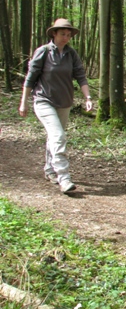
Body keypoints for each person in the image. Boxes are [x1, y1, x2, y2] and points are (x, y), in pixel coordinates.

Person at [18, 18, 93, 194]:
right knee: (58, 136)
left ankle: (50, 169)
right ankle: (64, 177)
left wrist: (88, 97)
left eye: (68, 35)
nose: (66, 38)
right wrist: (24, 102)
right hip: (43, 101)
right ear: (54, 33)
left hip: (64, 102)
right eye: (62, 34)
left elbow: (80, 76)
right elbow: (30, 78)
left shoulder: (71, 54)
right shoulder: (43, 52)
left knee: (54, 137)